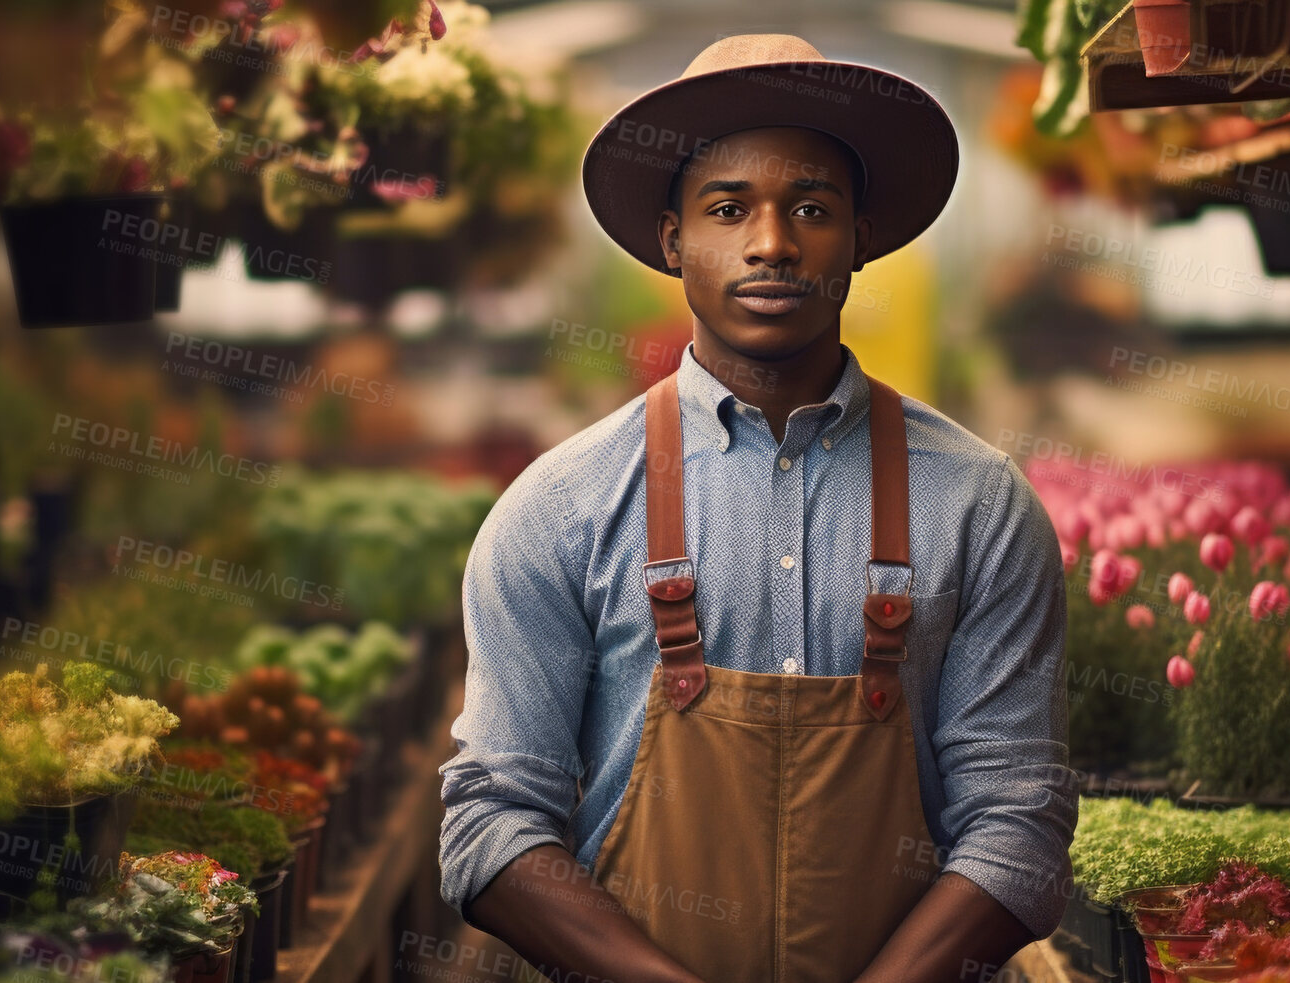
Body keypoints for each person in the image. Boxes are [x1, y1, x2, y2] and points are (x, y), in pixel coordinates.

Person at [438, 34, 1077, 983]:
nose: (770, 244)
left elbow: (1017, 819)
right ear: (672, 240)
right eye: (727, 209)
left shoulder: (979, 504)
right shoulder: (561, 508)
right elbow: (490, 821)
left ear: (861, 235)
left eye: (811, 209)